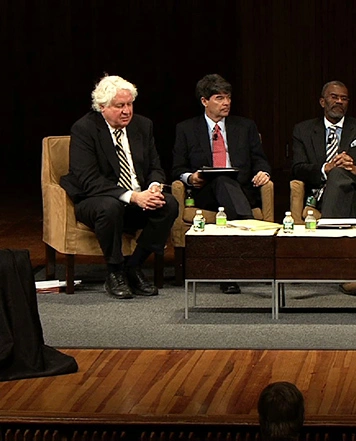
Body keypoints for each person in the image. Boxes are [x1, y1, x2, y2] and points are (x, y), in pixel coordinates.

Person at [60, 75, 178, 299]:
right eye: (119, 106)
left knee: (168, 204)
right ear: (102, 107)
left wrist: (153, 187)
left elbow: (155, 166)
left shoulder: (143, 125)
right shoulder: (84, 129)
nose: (126, 111)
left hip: (137, 198)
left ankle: (133, 267)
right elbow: (89, 180)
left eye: (129, 104)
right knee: (110, 207)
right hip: (95, 200)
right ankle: (114, 271)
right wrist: (133, 197)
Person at [172, 74, 271, 294]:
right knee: (220, 180)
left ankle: (228, 271)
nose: (226, 103)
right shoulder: (186, 129)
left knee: (226, 181)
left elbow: (260, 159)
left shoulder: (245, 126)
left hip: (242, 191)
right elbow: (177, 168)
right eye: (219, 98)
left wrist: (263, 172)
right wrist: (191, 177)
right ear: (204, 101)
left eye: (228, 98)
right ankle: (250, 232)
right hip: (205, 192)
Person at [291, 80, 356, 219]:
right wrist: (326, 168)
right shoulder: (303, 130)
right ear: (322, 102)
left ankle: (330, 232)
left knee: (339, 174)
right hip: (319, 195)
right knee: (335, 172)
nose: (339, 101)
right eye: (334, 97)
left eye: (344, 98)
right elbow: (297, 168)